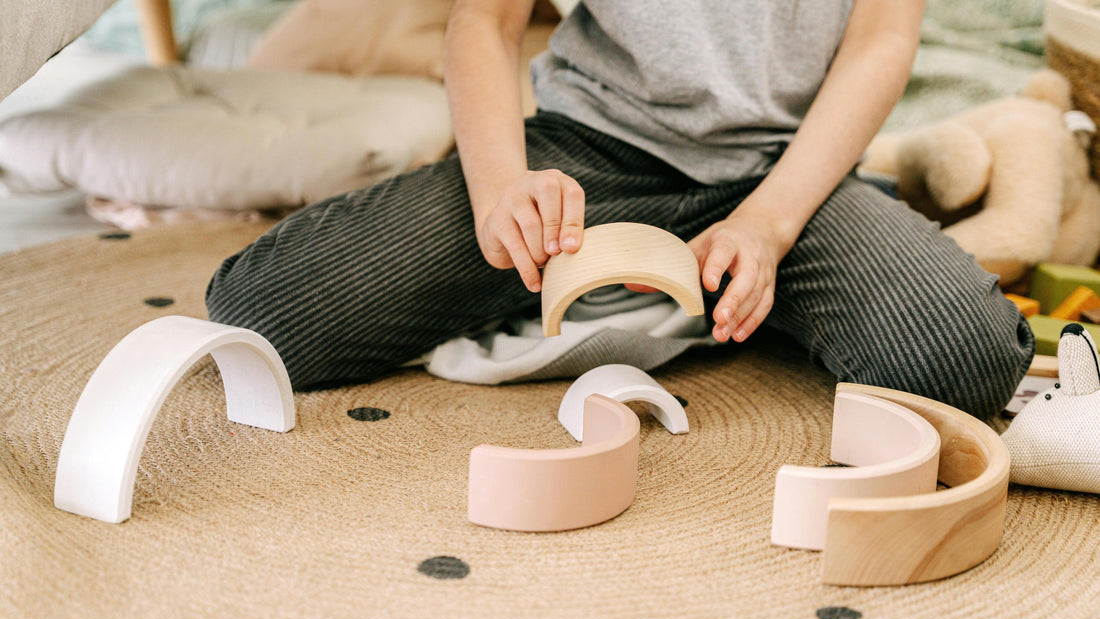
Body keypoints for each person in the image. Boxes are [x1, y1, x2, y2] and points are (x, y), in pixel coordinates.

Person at [206, 0, 1034, 418]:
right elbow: (486, 22)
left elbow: (882, 41)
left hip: (784, 175)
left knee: (960, 358)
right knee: (264, 318)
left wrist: (771, 223)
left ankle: (738, 283)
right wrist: (501, 188)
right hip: (587, 150)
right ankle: (661, 279)